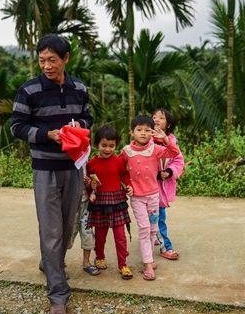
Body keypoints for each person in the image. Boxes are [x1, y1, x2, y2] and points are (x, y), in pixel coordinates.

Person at [10, 34, 93, 314]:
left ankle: (49, 262)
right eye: (42, 60)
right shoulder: (29, 90)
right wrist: (47, 135)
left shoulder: (79, 88)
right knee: (52, 231)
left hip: (74, 167)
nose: (47, 66)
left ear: (66, 59)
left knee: (68, 227)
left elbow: (88, 118)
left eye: (52, 60)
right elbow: (17, 127)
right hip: (44, 169)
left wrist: (77, 127)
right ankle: (58, 295)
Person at [120, 115, 180, 281]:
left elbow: (175, 153)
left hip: (154, 197)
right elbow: (120, 170)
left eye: (147, 130)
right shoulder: (126, 151)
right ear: (132, 132)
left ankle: (149, 258)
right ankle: (147, 263)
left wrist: (166, 139)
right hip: (137, 198)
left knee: (153, 229)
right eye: (139, 130)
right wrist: (126, 185)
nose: (143, 133)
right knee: (145, 229)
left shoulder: (155, 149)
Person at [86, 125, 134, 280]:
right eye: (104, 145)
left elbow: (125, 175)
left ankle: (123, 264)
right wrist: (90, 192)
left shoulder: (119, 161)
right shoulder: (91, 163)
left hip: (117, 202)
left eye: (112, 146)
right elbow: (89, 182)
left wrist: (129, 186)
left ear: (116, 145)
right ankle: (99, 257)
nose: (107, 149)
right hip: (100, 203)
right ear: (97, 144)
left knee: (120, 235)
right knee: (100, 235)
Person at [153, 108, 185, 260]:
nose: (156, 119)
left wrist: (170, 172)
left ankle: (166, 246)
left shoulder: (172, 141)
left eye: (161, 117)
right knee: (150, 219)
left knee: (159, 218)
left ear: (168, 124)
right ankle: (155, 238)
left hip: (161, 189)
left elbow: (178, 160)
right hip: (146, 188)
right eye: (154, 117)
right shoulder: (145, 138)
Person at [67, 164, 100, 276]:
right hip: (71, 204)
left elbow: (94, 183)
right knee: (68, 233)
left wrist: (91, 186)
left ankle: (86, 263)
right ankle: (57, 261)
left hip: (86, 203)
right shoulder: (66, 159)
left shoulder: (87, 161)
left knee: (88, 233)